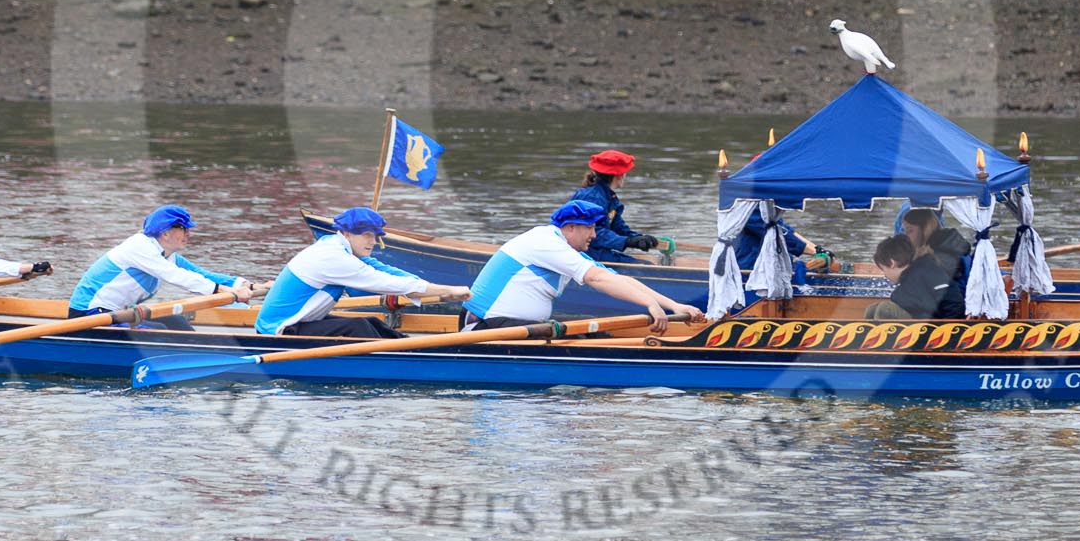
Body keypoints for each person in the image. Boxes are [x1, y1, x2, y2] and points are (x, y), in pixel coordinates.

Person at [463, 200, 705, 334]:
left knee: (592, 335)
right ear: (569, 227)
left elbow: (619, 280)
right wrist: (649, 305)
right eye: (589, 228)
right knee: (583, 336)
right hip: (484, 327)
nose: (594, 235)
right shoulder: (545, 242)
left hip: (509, 326)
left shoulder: (566, 248)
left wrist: (673, 305)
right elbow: (597, 279)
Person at [256, 207, 470, 340]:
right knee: (357, 326)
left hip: (299, 322)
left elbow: (385, 270)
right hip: (277, 331)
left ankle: (407, 347)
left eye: (375, 236)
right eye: (367, 235)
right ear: (347, 233)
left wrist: (431, 286)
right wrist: (446, 290)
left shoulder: (335, 244)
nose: (373, 242)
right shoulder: (333, 257)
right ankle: (401, 358)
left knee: (371, 321)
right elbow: (383, 282)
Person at [68, 206, 264, 328]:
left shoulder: (168, 256)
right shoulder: (139, 247)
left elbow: (202, 275)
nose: (189, 234)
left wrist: (251, 286)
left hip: (117, 313)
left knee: (177, 321)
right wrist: (228, 292)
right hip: (89, 315)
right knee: (159, 331)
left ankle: (198, 357)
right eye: (184, 229)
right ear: (165, 233)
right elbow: (177, 277)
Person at [569, 150, 661, 264]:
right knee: (646, 266)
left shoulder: (607, 196)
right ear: (619, 175)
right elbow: (593, 233)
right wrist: (627, 241)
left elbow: (618, 226)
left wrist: (640, 238)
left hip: (597, 250)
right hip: (584, 253)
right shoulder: (592, 197)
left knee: (646, 265)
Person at [901, 207, 970, 316]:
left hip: (941, 320)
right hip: (937, 312)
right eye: (905, 231)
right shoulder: (946, 248)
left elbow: (952, 302)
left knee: (883, 310)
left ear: (924, 230)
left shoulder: (939, 259)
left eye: (910, 230)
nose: (906, 235)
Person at [870, 234, 956, 319]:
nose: (885, 275)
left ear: (892, 263)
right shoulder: (912, 275)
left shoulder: (925, 271)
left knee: (885, 309)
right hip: (925, 320)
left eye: (883, 269)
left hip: (939, 325)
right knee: (872, 309)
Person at [735, 208, 814, 292]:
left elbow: (784, 229)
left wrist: (820, 250)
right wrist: (816, 252)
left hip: (767, 265)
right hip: (750, 268)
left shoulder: (767, 208)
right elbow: (780, 236)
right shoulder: (750, 208)